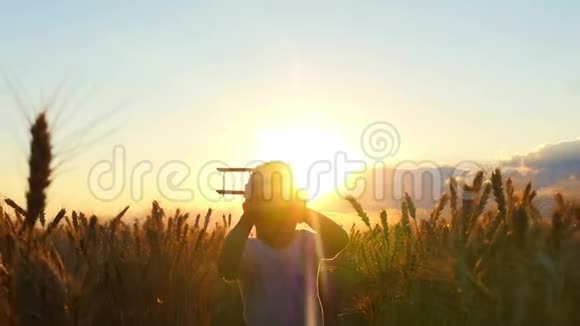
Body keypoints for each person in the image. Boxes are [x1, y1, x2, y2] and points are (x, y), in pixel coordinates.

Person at [218, 161, 349, 326]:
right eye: (272, 216)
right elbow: (227, 268)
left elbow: (339, 239)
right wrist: (250, 215)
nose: (279, 224)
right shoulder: (249, 251)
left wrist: (304, 212)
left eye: (284, 215)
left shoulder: (306, 243)